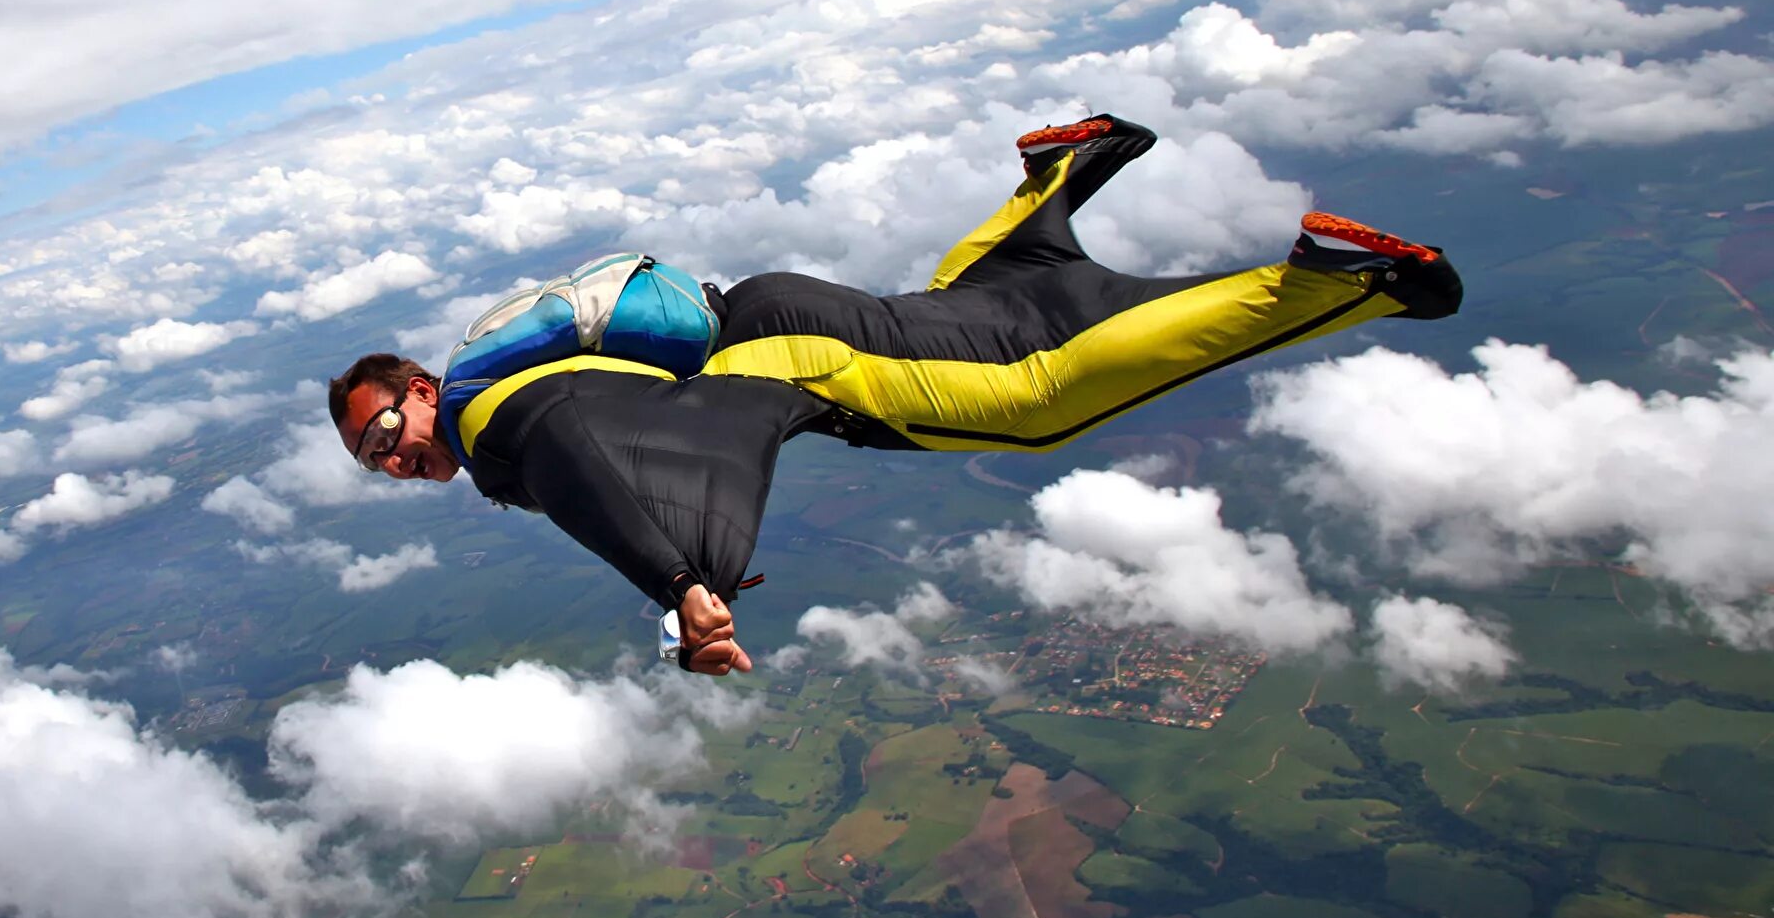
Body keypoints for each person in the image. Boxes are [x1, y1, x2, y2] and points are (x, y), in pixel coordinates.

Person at [327, 114, 1461, 677]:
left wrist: (678, 583)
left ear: (419, 390)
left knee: (1036, 395)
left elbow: (576, 450)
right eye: (372, 461)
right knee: (978, 317)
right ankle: (1051, 185)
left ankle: (1334, 282)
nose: (390, 458)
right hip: (769, 320)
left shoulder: (492, 419)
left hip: (786, 354)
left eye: (386, 428)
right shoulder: (489, 384)